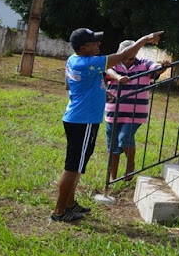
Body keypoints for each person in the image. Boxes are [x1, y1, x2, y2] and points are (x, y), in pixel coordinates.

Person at [52, 28, 163, 223]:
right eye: (94, 43)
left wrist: (100, 92)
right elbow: (125, 55)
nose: (99, 45)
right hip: (83, 121)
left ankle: (69, 204)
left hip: (79, 118)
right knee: (72, 167)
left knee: (78, 165)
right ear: (84, 47)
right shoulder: (89, 62)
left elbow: (69, 86)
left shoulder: (73, 60)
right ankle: (60, 211)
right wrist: (145, 38)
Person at [104, 40, 170, 181]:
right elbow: (107, 69)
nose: (129, 58)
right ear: (120, 53)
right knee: (113, 147)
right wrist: (119, 77)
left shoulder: (144, 63)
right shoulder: (113, 63)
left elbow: (155, 69)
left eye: (132, 54)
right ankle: (112, 179)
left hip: (135, 112)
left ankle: (130, 166)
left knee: (125, 137)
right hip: (113, 111)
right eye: (126, 54)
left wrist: (163, 68)